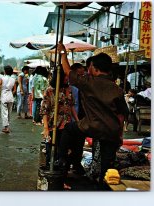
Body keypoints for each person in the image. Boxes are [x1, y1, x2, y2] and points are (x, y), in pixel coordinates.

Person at [57, 43, 129, 188]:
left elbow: (66, 70)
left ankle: (62, 159)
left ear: (95, 69)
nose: (87, 69)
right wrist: (119, 134)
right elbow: (122, 115)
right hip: (112, 131)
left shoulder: (88, 82)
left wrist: (63, 53)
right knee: (107, 167)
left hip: (93, 126)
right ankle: (103, 188)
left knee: (69, 129)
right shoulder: (117, 89)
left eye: (90, 67)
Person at [40, 69, 78, 170]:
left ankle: (62, 177)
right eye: (64, 76)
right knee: (51, 150)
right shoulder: (50, 91)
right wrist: (46, 128)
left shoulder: (69, 90)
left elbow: (72, 107)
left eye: (67, 76)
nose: (67, 78)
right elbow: (44, 110)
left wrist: (78, 121)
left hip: (67, 125)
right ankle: (50, 174)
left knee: (64, 152)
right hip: (53, 126)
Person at [0, 65, 17, 133]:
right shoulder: (13, 79)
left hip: (4, 96)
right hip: (10, 96)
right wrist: (10, 93)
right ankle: (7, 126)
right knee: (9, 113)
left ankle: (6, 127)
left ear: (5, 71)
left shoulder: (2, 78)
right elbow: (14, 90)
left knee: (4, 112)